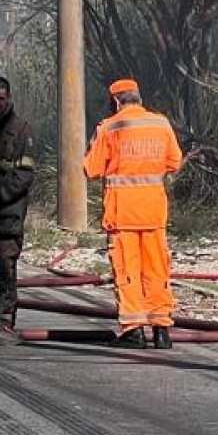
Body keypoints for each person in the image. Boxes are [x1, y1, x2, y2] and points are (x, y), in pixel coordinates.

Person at [83, 77, 183, 348]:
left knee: (128, 271)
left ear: (115, 101)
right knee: (157, 269)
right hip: (153, 211)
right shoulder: (160, 123)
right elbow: (174, 162)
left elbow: (91, 169)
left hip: (123, 213)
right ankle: (162, 330)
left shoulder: (109, 127)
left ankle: (133, 329)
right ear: (138, 97)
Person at [0, 75, 37, 345]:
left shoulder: (21, 130)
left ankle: (4, 318)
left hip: (8, 211)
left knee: (4, 266)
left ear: (8, 99)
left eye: (0, 99)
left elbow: (25, 174)